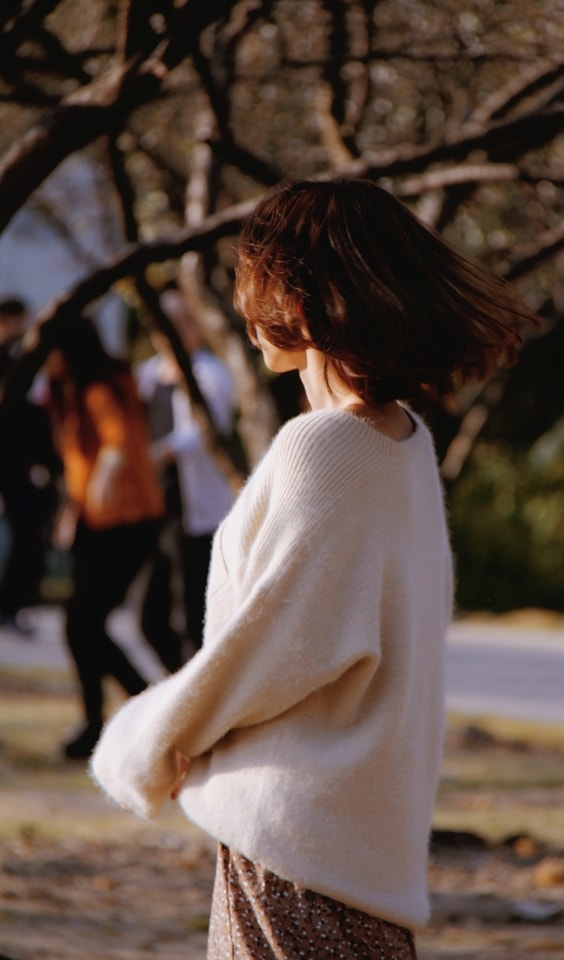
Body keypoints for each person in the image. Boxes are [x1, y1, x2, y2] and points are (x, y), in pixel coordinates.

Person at [90, 178, 538, 959]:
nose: (242, 305)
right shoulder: (401, 439)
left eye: (253, 280)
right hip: (357, 855)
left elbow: (267, 650)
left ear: (303, 296)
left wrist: (141, 744)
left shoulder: (326, 448)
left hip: (296, 855)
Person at [44, 315, 166, 759]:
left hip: (128, 521)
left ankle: (139, 710)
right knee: (82, 625)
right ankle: (109, 717)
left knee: (84, 622)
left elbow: (117, 441)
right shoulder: (75, 394)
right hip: (98, 523)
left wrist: (103, 480)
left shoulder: (100, 389)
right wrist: (73, 509)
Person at [136, 289, 236, 667]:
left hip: (196, 514)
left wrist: (162, 451)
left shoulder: (209, 373)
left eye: (182, 322)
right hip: (155, 509)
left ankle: (197, 707)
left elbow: (207, 428)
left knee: (194, 615)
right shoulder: (147, 374)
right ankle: (179, 696)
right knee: (151, 618)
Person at [0, 297, 60, 635]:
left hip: (24, 462)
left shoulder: (25, 357)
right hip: (11, 461)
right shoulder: (12, 360)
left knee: (29, 534)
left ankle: (13, 604)